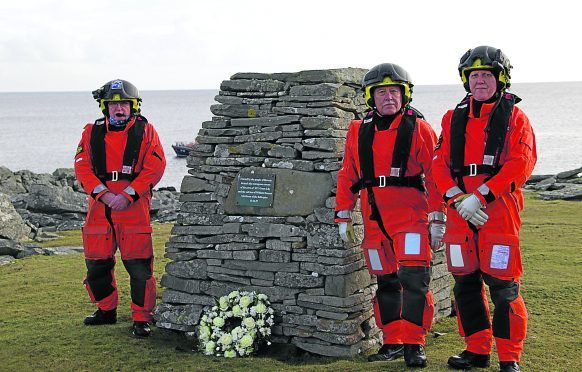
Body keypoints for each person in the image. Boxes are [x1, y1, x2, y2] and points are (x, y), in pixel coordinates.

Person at [432, 46, 537, 372]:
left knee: (504, 288)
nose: (480, 81)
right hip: (461, 213)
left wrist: (480, 197)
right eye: (474, 75)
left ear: (500, 78)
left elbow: (521, 164)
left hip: (498, 212)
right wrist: (458, 200)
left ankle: (509, 358)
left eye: (486, 75)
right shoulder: (452, 118)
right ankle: (476, 350)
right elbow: (439, 164)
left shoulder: (516, 118)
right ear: (466, 79)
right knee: (465, 284)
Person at [335, 63, 446, 368]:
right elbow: (348, 174)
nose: (388, 97)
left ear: (404, 95)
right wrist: (342, 213)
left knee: (414, 280)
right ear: (371, 97)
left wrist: (437, 217)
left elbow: (435, 176)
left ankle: (414, 343)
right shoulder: (357, 130)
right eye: (381, 92)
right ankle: (393, 341)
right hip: (374, 221)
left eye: (394, 91)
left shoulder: (419, 128)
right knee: (385, 282)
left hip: (410, 218)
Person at [74, 79, 166, 337]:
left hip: (134, 206)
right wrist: (102, 194)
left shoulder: (147, 132)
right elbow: (82, 166)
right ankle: (106, 311)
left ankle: (141, 318)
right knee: (97, 264)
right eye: (113, 104)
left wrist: (129, 193)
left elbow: (155, 166)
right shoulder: (91, 132)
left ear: (133, 105)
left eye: (124, 103)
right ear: (105, 107)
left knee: (139, 266)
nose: (119, 109)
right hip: (99, 207)